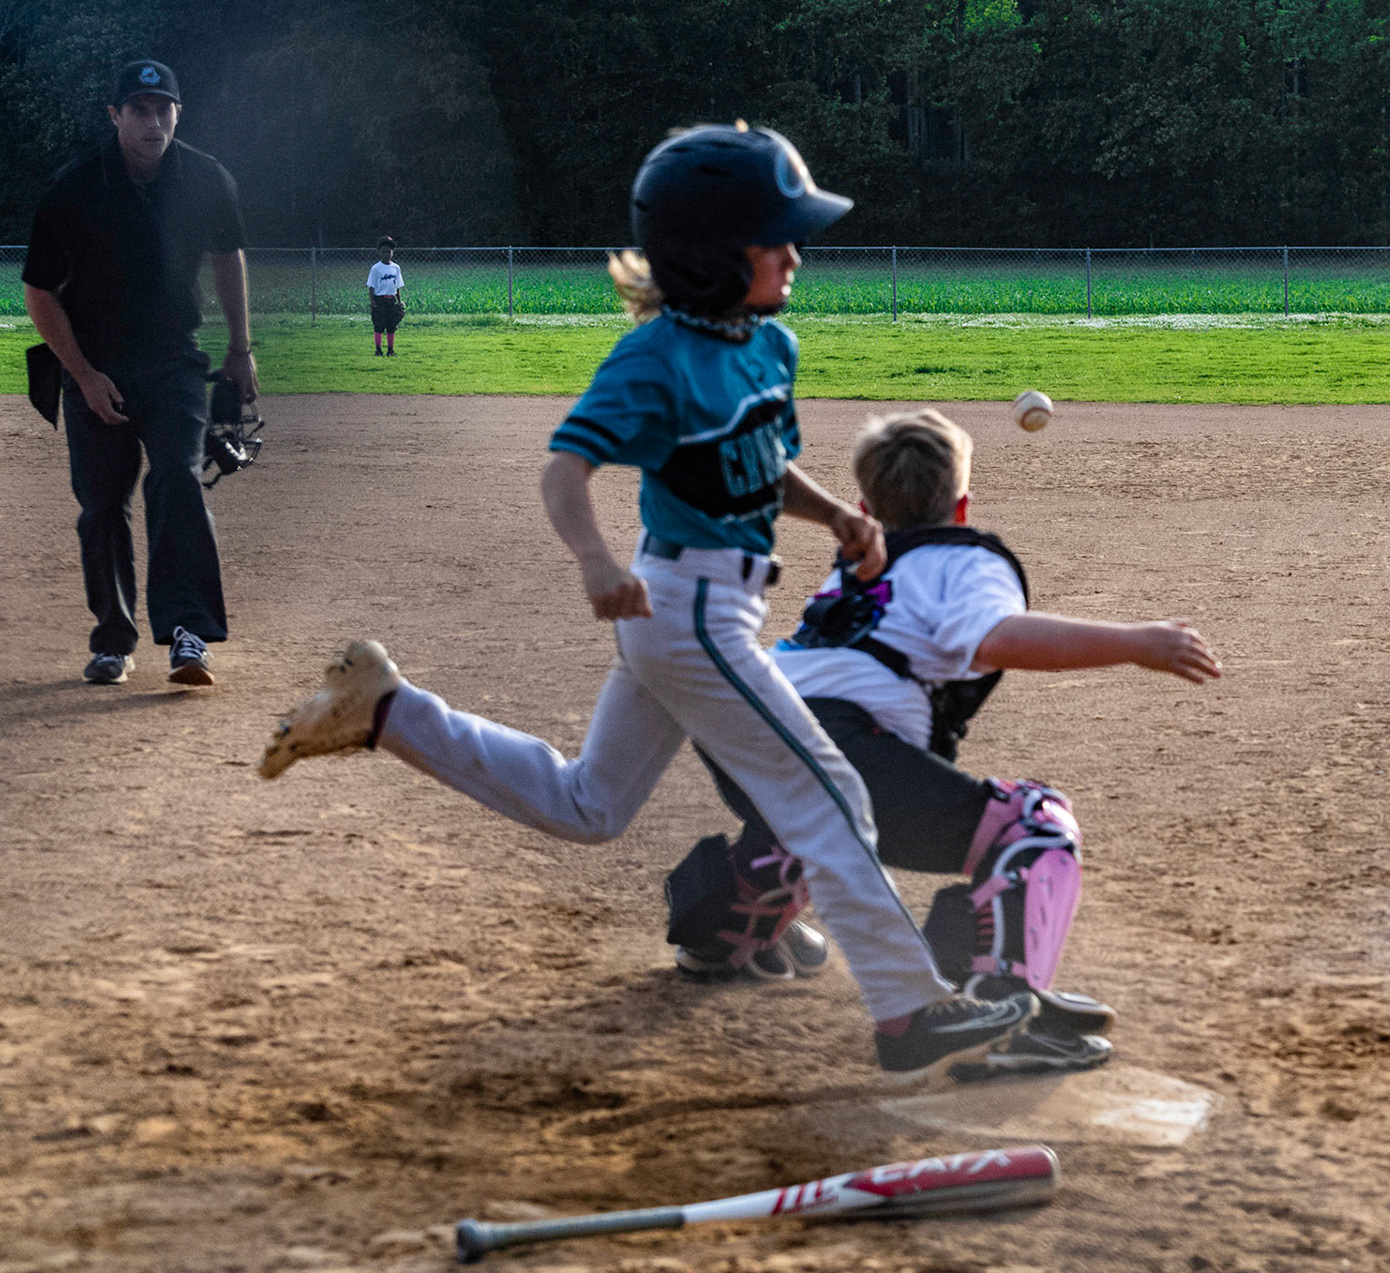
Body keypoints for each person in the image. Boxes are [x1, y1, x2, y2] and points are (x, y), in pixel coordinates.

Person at [255, 124, 1038, 1085]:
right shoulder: (653, 361)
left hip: (710, 611)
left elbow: (757, 461)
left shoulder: (769, 344)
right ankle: (908, 1012)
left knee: (591, 804)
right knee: (831, 796)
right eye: (772, 238)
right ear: (711, 258)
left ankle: (386, 711)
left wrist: (833, 511)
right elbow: (565, 471)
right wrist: (590, 560)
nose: (794, 254)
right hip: (685, 612)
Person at [662, 409, 1223, 1079]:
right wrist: (1136, 644)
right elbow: (995, 639)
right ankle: (1005, 1011)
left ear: (867, 507)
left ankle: (720, 937)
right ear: (961, 504)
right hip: (840, 743)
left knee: (809, 823)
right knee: (1032, 823)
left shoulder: (858, 565)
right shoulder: (964, 559)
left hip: (742, 724)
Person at [21, 59, 256, 687]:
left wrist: (241, 349)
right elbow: (39, 293)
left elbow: (228, 254)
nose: (153, 122)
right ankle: (113, 639)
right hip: (94, 364)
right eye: (140, 110)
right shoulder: (74, 189)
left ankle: (188, 635)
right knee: (101, 504)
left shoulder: (206, 179)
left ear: (178, 113)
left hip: (174, 360)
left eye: (164, 109)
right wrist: (85, 375)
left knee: (177, 477)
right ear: (116, 116)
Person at [367, 237, 404, 356]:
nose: (386, 254)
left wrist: (399, 301)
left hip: (391, 300)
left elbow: (397, 286)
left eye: (388, 251)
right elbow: (371, 286)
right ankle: (378, 349)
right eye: (383, 252)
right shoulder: (376, 268)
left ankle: (390, 350)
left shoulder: (396, 268)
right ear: (379, 253)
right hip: (379, 300)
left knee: (391, 326)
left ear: (392, 252)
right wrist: (372, 301)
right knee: (378, 326)